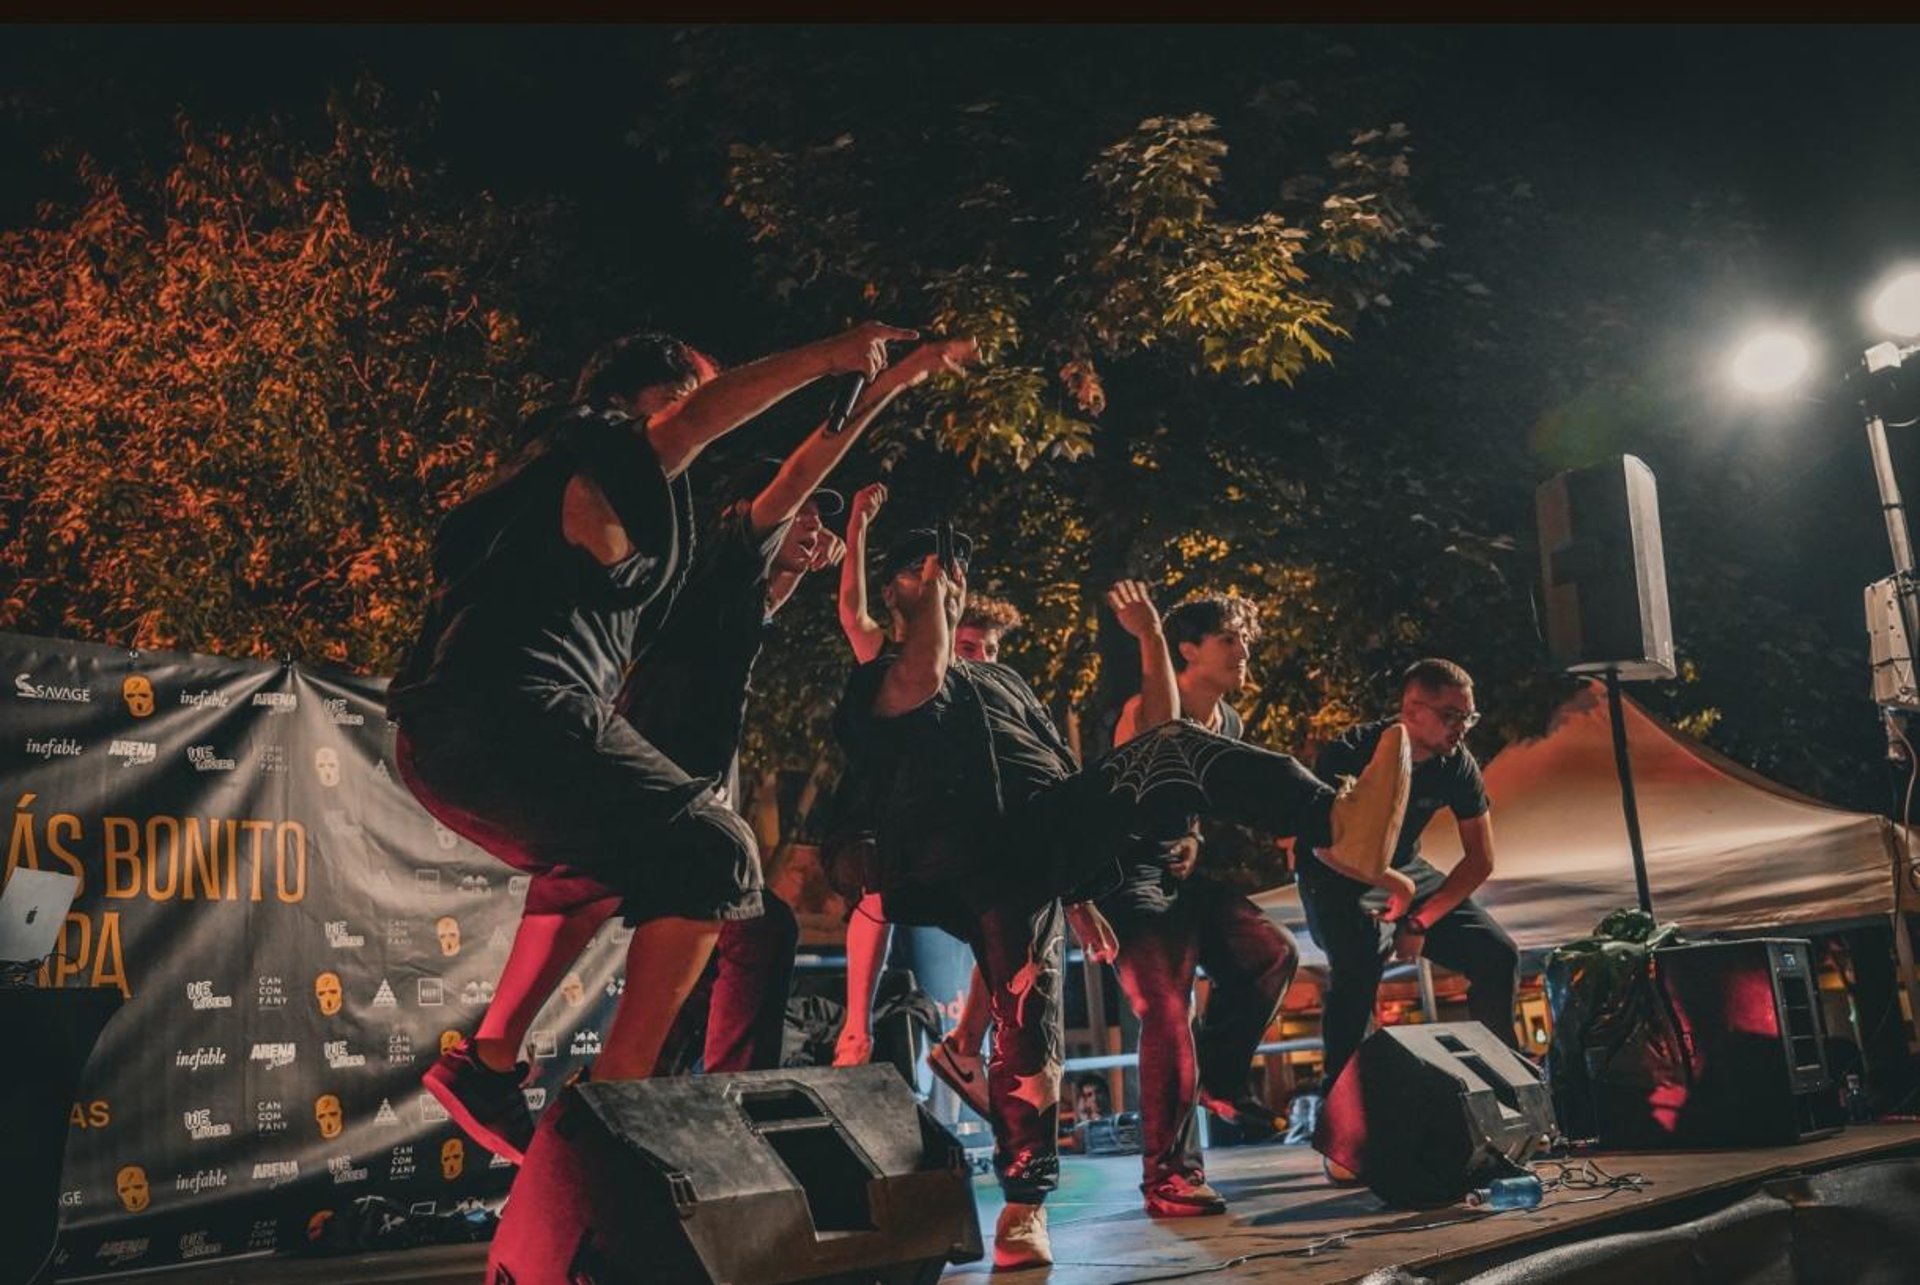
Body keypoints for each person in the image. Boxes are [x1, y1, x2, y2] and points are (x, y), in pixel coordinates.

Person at [389, 319, 915, 1164]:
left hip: (458, 737)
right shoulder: (615, 460)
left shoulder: (645, 532)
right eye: (686, 398)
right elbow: (780, 467)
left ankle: (491, 1061)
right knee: (721, 855)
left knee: (591, 874)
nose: (699, 419)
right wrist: (842, 363)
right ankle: (613, 1104)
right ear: (633, 402)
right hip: (513, 715)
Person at [833, 552, 1412, 1270]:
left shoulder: (1008, 684)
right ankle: (1025, 1203)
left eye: (979, 633)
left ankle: (1334, 818)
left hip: (1038, 838)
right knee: (1027, 1021)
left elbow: (1053, 769)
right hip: (953, 858)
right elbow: (880, 634)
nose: (970, 644)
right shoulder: (891, 679)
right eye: (934, 603)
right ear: (898, 614)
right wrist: (863, 538)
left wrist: (1080, 889)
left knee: (1171, 751)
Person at [1099, 589, 1303, 1218]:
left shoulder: (1230, 724)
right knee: (1165, 1005)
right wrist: (1148, 634)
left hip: (1178, 876)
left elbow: (1191, 800)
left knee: (1272, 953)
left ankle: (1216, 1075)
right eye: (1228, 640)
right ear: (1188, 650)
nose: (1243, 651)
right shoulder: (1146, 703)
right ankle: (1169, 1176)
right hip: (1121, 875)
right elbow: (1161, 736)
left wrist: (1192, 836)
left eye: (1244, 640)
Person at [1300, 658, 1520, 1142]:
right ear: (1412, 710)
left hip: (1404, 867)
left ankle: (1508, 1097)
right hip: (1335, 871)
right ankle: (1342, 1129)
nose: (1461, 729)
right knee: (1357, 969)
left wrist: (1420, 920)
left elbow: (1480, 860)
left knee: (1496, 954)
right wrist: (1396, 892)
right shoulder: (1351, 752)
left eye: (1468, 718)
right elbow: (1326, 847)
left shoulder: (1456, 762)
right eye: (1450, 716)